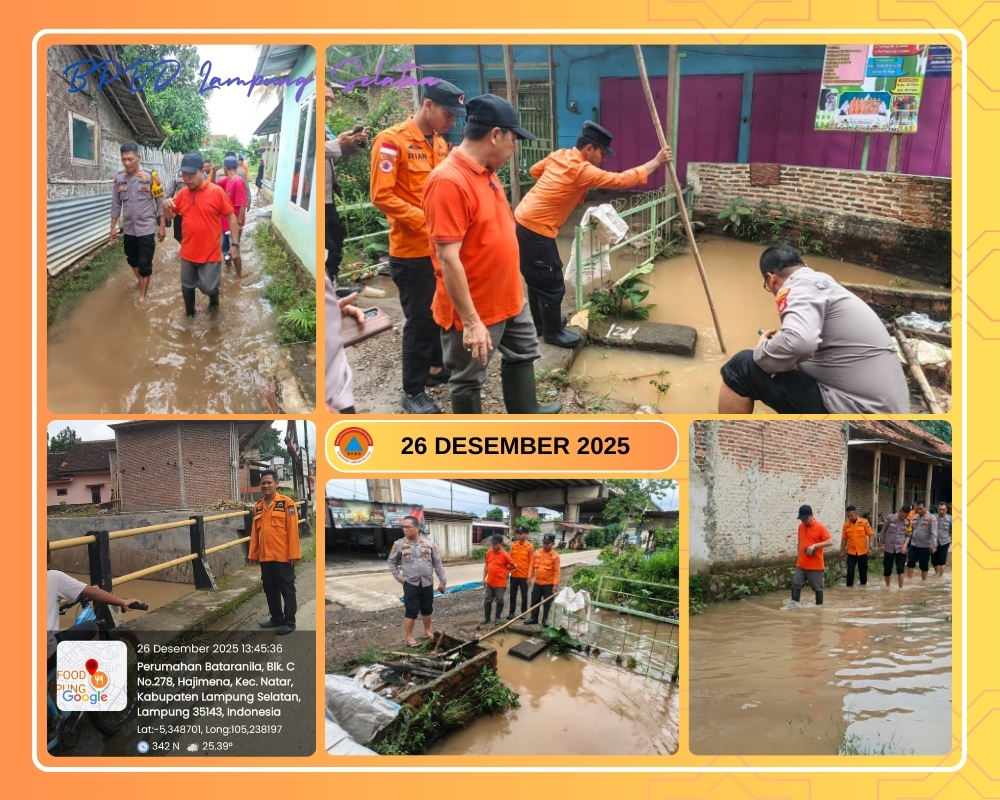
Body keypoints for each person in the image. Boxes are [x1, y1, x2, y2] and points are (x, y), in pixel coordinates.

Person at [422, 94, 562, 415]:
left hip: (509, 295)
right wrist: (471, 322)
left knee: (523, 352)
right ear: (495, 135)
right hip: (476, 306)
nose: (514, 148)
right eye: (513, 139)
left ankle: (525, 412)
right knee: (468, 378)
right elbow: (447, 258)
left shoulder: (487, 171)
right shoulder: (449, 181)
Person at [514, 122, 673, 347]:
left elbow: (534, 171)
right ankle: (551, 333)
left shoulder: (560, 155)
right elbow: (621, 180)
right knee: (551, 280)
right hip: (536, 227)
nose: (604, 159)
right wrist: (656, 162)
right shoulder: (582, 170)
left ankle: (543, 325)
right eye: (602, 153)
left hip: (523, 219)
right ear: (589, 149)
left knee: (537, 278)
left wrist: (554, 191)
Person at [718, 244, 910, 414]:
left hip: (859, 410)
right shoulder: (823, 283)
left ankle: (728, 439)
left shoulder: (796, 287)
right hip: (886, 409)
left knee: (741, 367)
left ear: (771, 279)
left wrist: (762, 351)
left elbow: (799, 342)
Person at [370, 81, 467, 414]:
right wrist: (427, 221)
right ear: (428, 105)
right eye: (448, 114)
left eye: (456, 115)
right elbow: (381, 195)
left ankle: (435, 369)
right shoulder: (391, 142)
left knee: (439, 312)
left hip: (438, 250)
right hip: (411, 252)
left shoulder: (440, 145)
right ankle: (412, 390)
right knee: (420, 320)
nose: (452, 121)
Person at [162, 152, 239, 317]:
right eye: (184, 174)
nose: (187, 178)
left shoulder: (216, 192)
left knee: (208, 287)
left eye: (191, 174)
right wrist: (165, 207)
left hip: (210, 253)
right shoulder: (182, 194)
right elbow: (170, 216)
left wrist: (234, 245)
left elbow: (231, 217)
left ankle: (214, 301)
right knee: (187, 287)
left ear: (201, 172)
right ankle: (190, 315)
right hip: (188, 253)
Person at [46, 542, 140, 670]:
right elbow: (94, 592)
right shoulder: (53, 577)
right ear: (50, 557)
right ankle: (89, 682)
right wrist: (122, 602)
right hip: (46, 655)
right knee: (92, 627)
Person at [110, 141, 165, 303]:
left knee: (145, 263)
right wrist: (113, 228)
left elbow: (160, 202)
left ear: (138, 158)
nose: (127, 163)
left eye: (130, 159)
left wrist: (162, 226)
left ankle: (142, 296)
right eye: (124, 159)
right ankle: (142, 282)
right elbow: (115, 205)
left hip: (147, 228)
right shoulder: (119, 179)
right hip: (129, 229)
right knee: (132, 259)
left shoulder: (150, 177)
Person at [247, 470, 300, 635]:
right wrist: (253, 554)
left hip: (283, 557)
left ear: (276, 483)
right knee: (270, 590)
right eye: (263, 483)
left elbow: (293, 531)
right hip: (265, 557)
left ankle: (289, 622)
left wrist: (294, 555)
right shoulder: (258, 506)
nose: (265, 485)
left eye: (269, 482)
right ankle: (277, 618)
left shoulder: (286, 504)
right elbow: (255, 533)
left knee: (287, 590)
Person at [387, 517, 447, 647]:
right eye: (403, 527)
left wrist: (443, 581)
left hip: (427, 583)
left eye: (408, 527)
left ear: (417, 528)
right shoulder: (399, 544)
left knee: (427, 609)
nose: (405, 529)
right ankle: (409, 638)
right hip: (411, 584)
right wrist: (399, 578)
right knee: (411, 611)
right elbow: (391, 562)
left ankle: (427, 631)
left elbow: (437, 564)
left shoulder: (429, 544)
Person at [791, 505, 833, 605]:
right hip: (801, 563)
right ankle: (794, 607)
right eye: (801, 519)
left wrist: (815, 545)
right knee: (796, 584)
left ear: (811, 515)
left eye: (805, 519)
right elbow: (800, 542)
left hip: (815, 565)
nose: (803, 521)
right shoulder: (801, 526)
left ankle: (819, 610)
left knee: (818, 588)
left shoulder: (820, 527)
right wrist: (798, 556)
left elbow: (830, 542)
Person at [218, 155, 248, 277]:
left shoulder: (238, 181)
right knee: (225, 249)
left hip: (234, 224)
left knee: (235, 250)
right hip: (225, 223)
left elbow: (242, 204)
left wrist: (239, 223)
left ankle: (239, 276)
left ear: (225, 168)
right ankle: (228, 267)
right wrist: (213, 172)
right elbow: (214, 185)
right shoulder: (227, 180)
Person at [526, 533, 561, 627]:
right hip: (538, 583)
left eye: (547, 543)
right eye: (544, 542)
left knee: (547, 602)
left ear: (553, 544)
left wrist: (555, 585)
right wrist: (529, 577)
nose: (545, 545)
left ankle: (545, 619)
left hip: (548, 584)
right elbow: (531, 566)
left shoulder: (555, 556)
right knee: (535, 600)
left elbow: (557, 572)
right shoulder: (537, 552)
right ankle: (534, 618)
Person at [481, 533, 516, 624]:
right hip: (490, 582)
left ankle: (497, 618)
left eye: (495, 544)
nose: (493, 546)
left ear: (500, 544)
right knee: (487, 600)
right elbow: (486, 565)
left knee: (499, 600)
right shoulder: (489, 552)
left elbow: (514, 565)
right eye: (492, 543)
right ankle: (487, 618)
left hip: (500, 583)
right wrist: (484, 578)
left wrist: (506, 568)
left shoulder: (505, 555)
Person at [840, 505, 874, 587]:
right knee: (850, 572)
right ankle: (849, 591)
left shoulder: (864, 522)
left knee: (863, 572)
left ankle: (863, 590)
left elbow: (871, 535)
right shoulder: (846, 525)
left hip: (862, 552)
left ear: (856, 513)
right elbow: (844, 539)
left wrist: (870, 547)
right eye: (848, 516)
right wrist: (841, 551)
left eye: (851, 516)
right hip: (851, 553)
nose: (850, 518)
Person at [879, 505, 911, 588]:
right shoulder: (890, 518)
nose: (903, 517)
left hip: (900, 549)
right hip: (889, 548)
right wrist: (880, 546)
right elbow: (883, 532)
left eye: (905, 516)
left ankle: (901, 589)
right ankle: (887, 586)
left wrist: (905, 546)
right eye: (902, 515)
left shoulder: (908, 522)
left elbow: (908, 535)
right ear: (899, 511)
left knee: (901, 569)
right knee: (887, 569)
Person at [906, 499, 938, 581]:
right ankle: (909, 580)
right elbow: (911, 529)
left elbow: (934, 532)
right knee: (910, 562)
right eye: (917, 509)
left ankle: (923, 582)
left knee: (923, 565)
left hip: (925, 546)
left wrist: (934, 545)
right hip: (914, 544)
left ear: (925, 508)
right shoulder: (914, 516)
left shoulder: (931, 518)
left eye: (921, 509)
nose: (919, 511)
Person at [506, 525, 534, 619]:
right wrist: (507, 572)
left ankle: (523, 613)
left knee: (524, 595)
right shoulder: (513, 545)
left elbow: (531, 564)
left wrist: (529, 577)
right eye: (518, 533)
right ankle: (511, 612)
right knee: (512, 595)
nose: (519, 535)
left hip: (524, 575)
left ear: (526, 534)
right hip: (514, 574)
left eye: (521, 533)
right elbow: (509, 560)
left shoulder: (529, 547)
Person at [165, 167, 186, 244]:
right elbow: (170, 191)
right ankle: (184, 248)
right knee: (177, 235)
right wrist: (166, 204)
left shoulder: (199, 172)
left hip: (194, 211)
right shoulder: (177, 173)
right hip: (178, 210)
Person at [933, 502, 952, 577]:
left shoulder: (950, 518)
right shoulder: (933, 517)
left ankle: (940, 576)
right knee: (934, 561)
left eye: (943, 509)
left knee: (942, 560)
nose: (941, 511)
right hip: (933, 542)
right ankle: (937, 572)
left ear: (946, 509)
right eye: (940, 509)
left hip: (945, 541)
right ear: (937, 509)